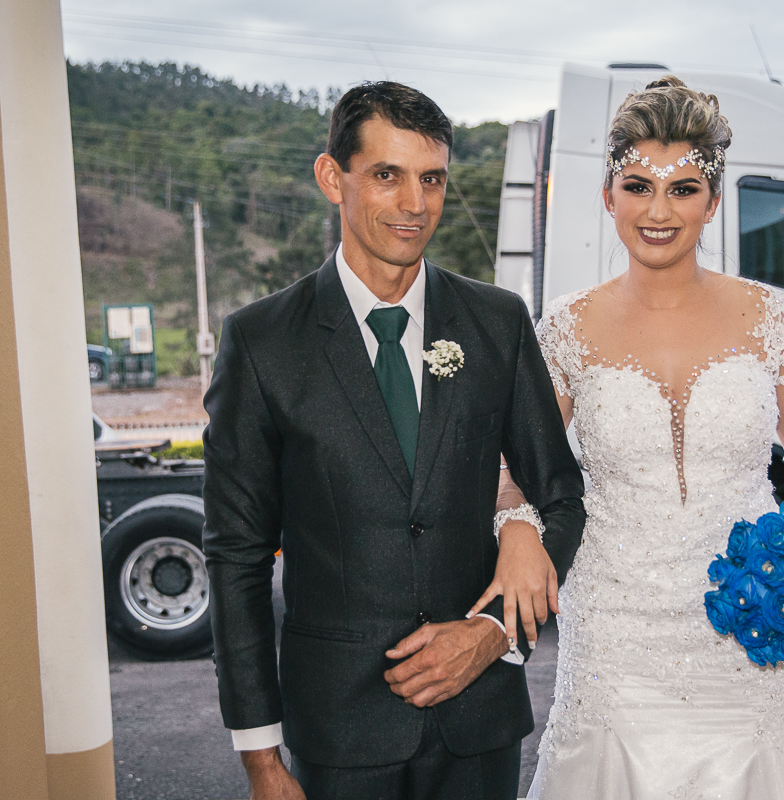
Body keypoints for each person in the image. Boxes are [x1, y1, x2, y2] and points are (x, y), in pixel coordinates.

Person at [201, 81, 585, 800]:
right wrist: (260, 755)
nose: (415, 204)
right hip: (338, 733)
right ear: (331, 177)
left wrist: (493, 633)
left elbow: (562, 495)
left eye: (431, 179)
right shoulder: (260, 343)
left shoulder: (497, 323)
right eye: (387, 175)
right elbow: (236, 556)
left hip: (480, 725)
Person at [483, 76, 784, 799]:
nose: (659, 211)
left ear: (712, 202)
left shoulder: (770, 320)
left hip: (751, 629)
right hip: (616, 638)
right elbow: (513, 472)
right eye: (638, 185)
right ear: (608, 195)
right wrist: (519, 529)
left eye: (684, 188)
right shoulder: (565, 329)